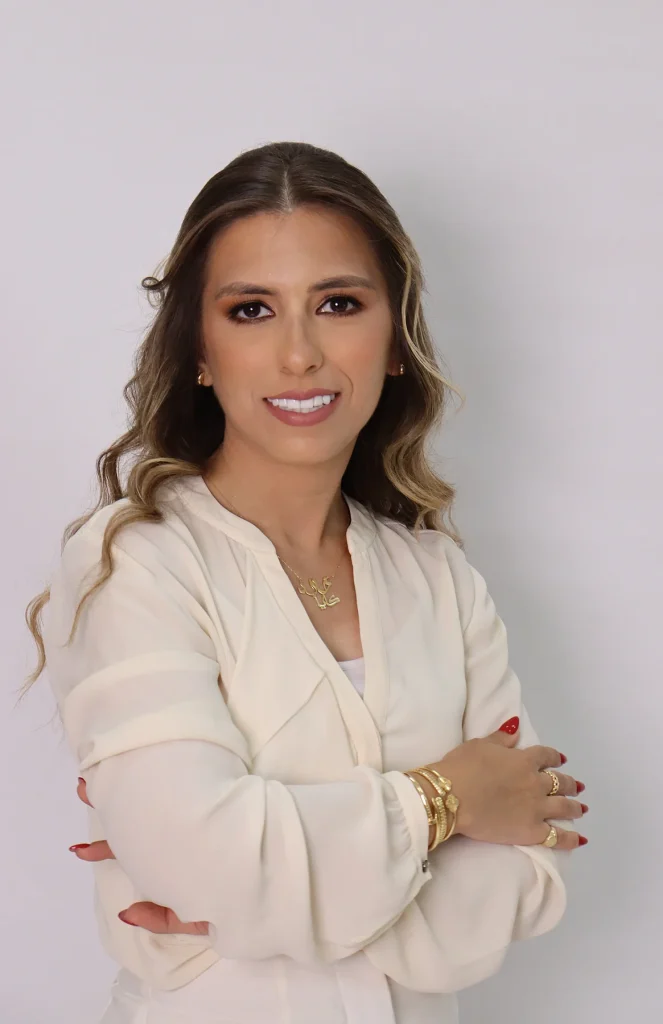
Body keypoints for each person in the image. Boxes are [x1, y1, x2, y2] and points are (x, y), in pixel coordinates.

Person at [20, 140, 588, 1024]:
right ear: (199, 349)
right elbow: (203, 864)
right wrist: (445, 800)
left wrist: (260, 904)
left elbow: (531, 868)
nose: (299, 355)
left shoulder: (438, 577)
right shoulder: (136, 562)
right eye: (251, 309)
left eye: (338, 304)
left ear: (394, 340)